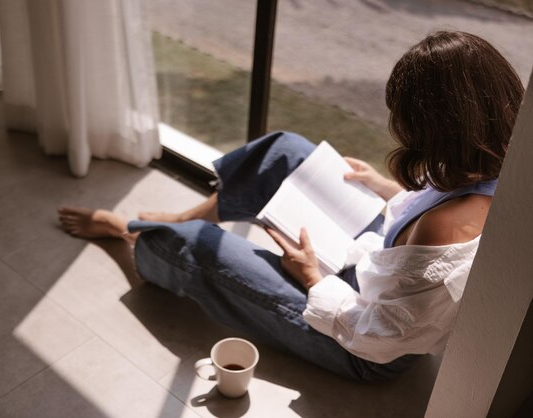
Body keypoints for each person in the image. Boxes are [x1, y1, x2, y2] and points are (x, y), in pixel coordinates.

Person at [57, 31, 524, 382]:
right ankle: (182, 214)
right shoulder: (502, 160)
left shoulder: (446, 230)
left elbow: (381, 336)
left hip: (362, 341)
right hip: (375, 271)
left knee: (192, 248)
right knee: (286, 151)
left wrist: (311, 276)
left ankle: (132, 233)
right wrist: (381, 187)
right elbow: (428, 224)